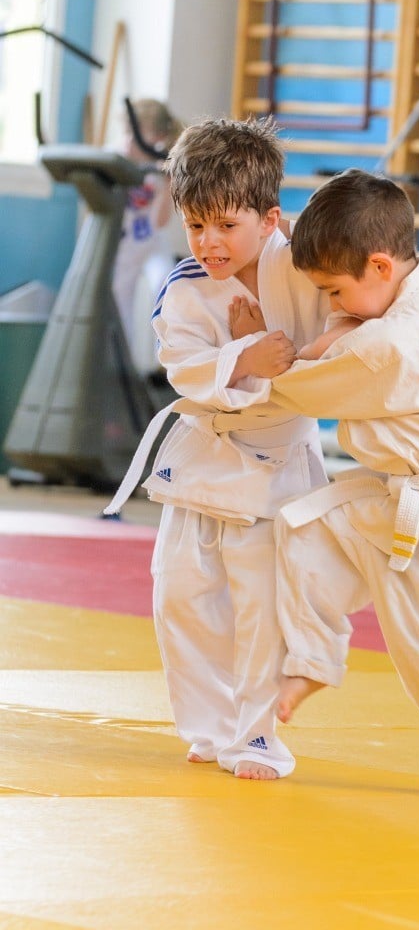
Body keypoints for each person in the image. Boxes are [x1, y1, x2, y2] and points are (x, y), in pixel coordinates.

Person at [236, 168, 419, 804]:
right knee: (306, 535)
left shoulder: (389, 348)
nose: (330, 303)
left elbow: (300, 383)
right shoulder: (414, 281)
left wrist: (249, 353)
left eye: (333, 290)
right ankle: (312, 663)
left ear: (377, 265)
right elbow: (347, 325)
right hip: (396, 491)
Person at [105, 116, 331, 779]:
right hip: (201, 462)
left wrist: (266, 354)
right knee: (180, 597)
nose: (209, 243)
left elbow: (329, 353)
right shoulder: (183, 286)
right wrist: (245, 356)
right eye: (195, 225)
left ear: (270, 219)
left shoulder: (307, 271)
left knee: (262, 608)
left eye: (226, 226)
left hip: (277, 469)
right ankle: (208, 726)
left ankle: (256, 736)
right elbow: (183, 368)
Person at [111, 98, 184, 369]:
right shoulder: (117, 157)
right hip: (123, 246)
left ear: (158, 137)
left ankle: (164, 362)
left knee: (165, 285)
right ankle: (123, 368)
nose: (131, 141)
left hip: (151, 242)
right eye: (128, 133)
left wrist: (166, 184)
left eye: (138, 134)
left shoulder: (161, 166)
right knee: (120, 304)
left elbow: (160, 222)